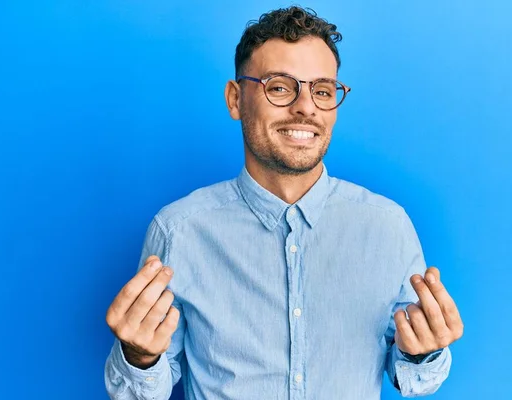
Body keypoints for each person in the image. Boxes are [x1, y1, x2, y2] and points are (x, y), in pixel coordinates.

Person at [104, 6, 463, 399]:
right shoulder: (179, 231)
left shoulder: (389, 227)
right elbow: (139, 392)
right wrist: (138, 356)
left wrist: (424, 353)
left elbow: (414, 379)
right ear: (236, 99)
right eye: (279, 87)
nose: (306, 107)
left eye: (322, 91)